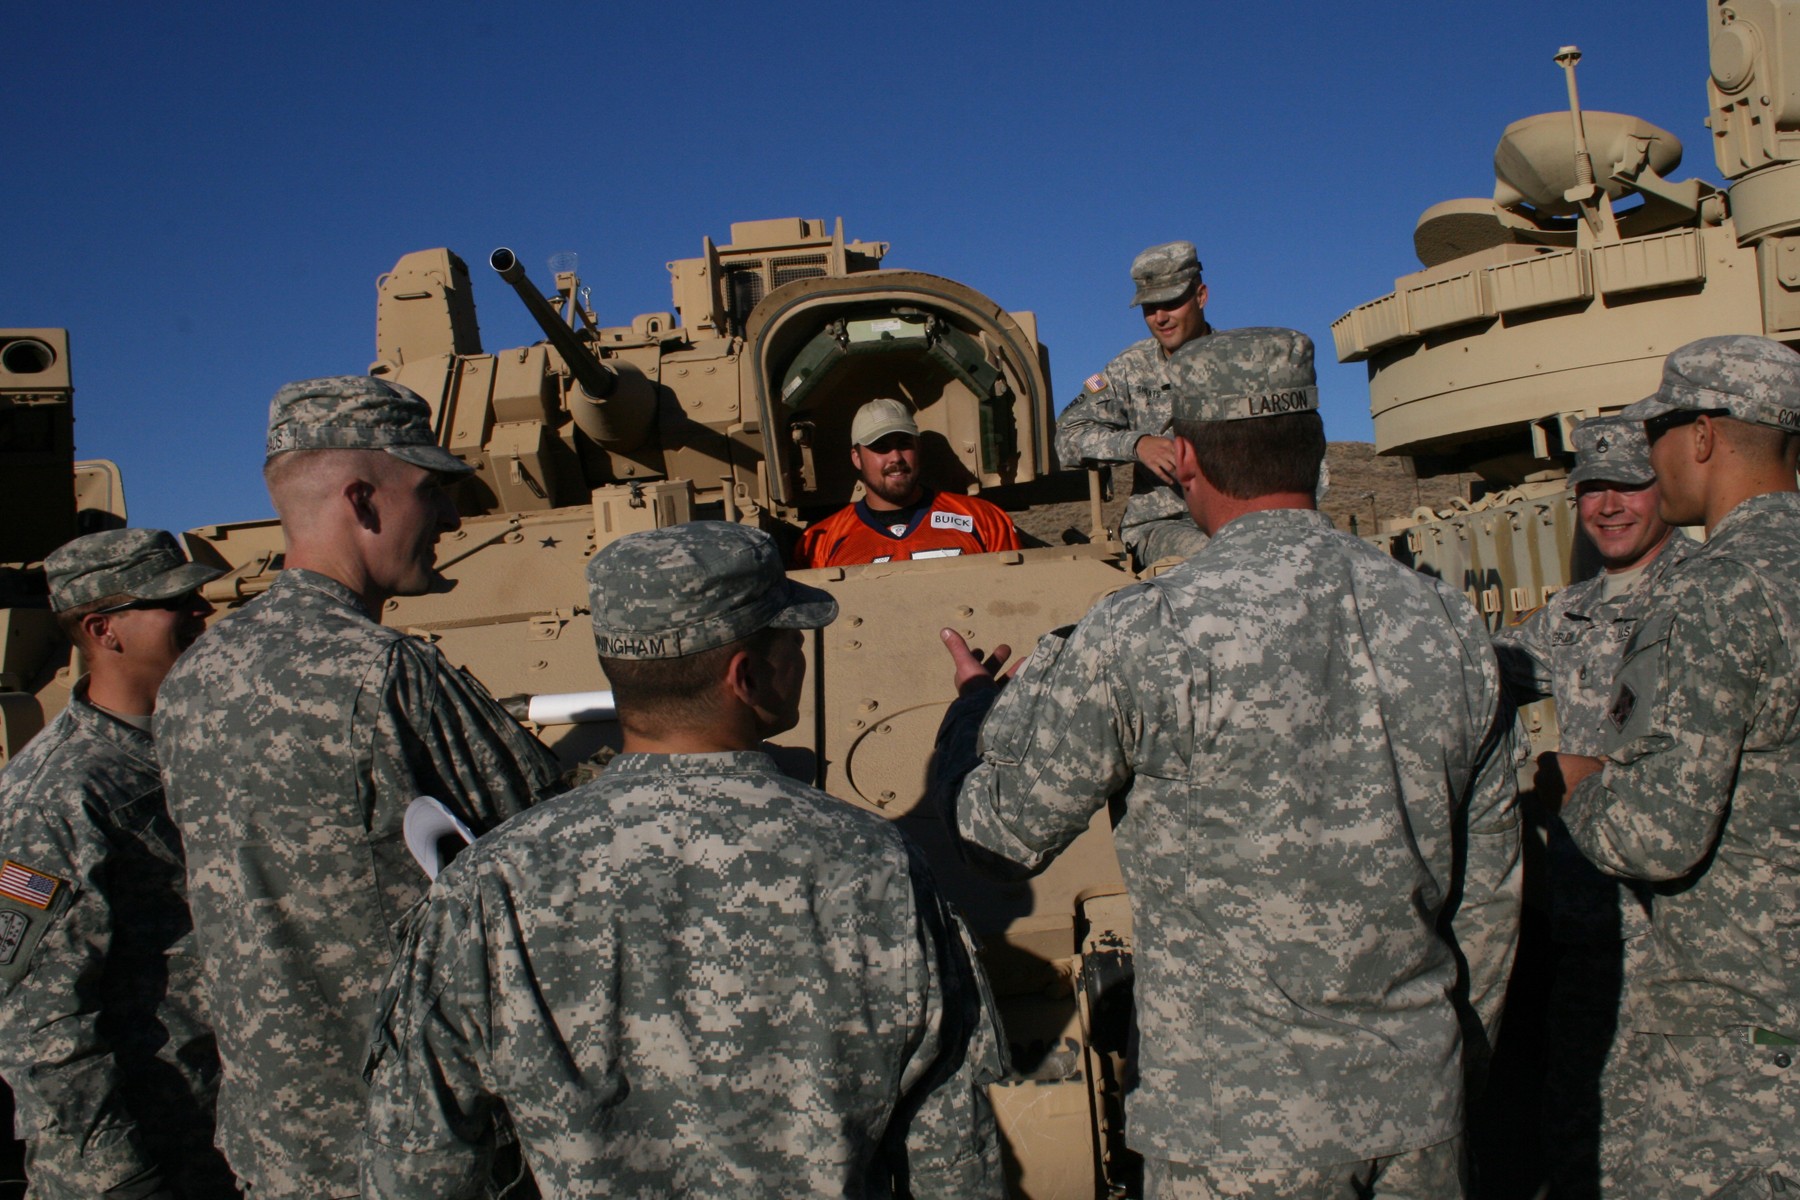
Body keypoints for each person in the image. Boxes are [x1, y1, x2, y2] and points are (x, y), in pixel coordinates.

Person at [936, 327, 1523, 1198]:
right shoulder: (1449, 626)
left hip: (1232, 1133)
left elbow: (999, 836)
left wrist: (974, 718)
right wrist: (1445, 1072)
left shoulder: (1142, 632)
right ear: (1318, 449)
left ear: (1181, 460)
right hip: (1417, 1114)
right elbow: (1492, 895)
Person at [363, 521, 1004, 1199]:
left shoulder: (489, 887)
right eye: (791, 639)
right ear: (747, 675)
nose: (801, 656)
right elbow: (955, 1155)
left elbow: (414, 1164)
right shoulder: (876, 866)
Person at [154, 377, 564, 1200]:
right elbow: (547, 848)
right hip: (414, 1146)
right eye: (431, 491)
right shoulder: (387, 676)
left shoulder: (192, 679)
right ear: (363, 500)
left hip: (276, 1141)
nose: (449, 518)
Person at [1543, 335, 1800, 1196]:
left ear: (1701, 437)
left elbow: (1657, 836)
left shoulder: (1715, 586)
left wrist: (1575, 785)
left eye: (1655, 435)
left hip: (1735, 1037)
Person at [0, 529, 236, 1199]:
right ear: (105, 630)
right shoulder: (55, 794)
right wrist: (116, 1179)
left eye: (195, 598)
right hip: (152, 1151)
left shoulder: (203, 746)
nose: (200, 614)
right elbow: (41, 1021)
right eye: (172, 604)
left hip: (234, 1130)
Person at [1490, 414, 1691, 1197]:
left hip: (1683, 940)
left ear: (1664, 487)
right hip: (1584, 929)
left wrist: (1586, 775)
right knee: (1578, 1140)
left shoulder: (1706, 597)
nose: (1609, 505)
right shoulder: (1569, 614)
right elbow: (1487, 673)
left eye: (1630, 485)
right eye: (1591, 488)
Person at [1053, 240, 1215, 569]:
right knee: (1210, 556)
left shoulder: (1241, 365)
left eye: (1171, 303)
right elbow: (1066, 437)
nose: (1160, 318)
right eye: (1149, 308)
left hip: (1240, 516)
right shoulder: (1127, 370)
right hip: (1164, 524)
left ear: (1201, 296)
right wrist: (1136, 443)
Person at [792, 397, 1020, 567]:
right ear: (856, 457)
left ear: (918, 447)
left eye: (904, 444)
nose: (896, 458)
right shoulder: (819, 540)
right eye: (880, 447)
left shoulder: (984, 519)